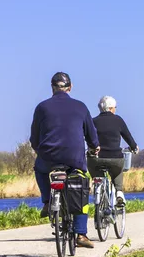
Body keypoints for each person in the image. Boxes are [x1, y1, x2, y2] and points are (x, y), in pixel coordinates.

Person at [30, 72, 99, 248]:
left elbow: (34, 138)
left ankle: (47, 201)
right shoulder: (81, 107)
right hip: (74, 157)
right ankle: (81, 234)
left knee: (40, 168)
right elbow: (92, 136)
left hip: (48, 156)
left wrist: (40, 149)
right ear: (70, 87)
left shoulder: (41, 107)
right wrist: (94, 146)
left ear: (52, 87)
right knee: (81, 186)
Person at [90, 95, 139, 206]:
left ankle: (97, 184)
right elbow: (128, 137)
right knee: (117, 172)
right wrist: (134, 147)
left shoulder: (93, 121)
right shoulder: (118, 120)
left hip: (97, 158)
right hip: (115, 158)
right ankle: (119, 192)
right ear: (112, 108)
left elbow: (86, 136)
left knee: (94, 167)